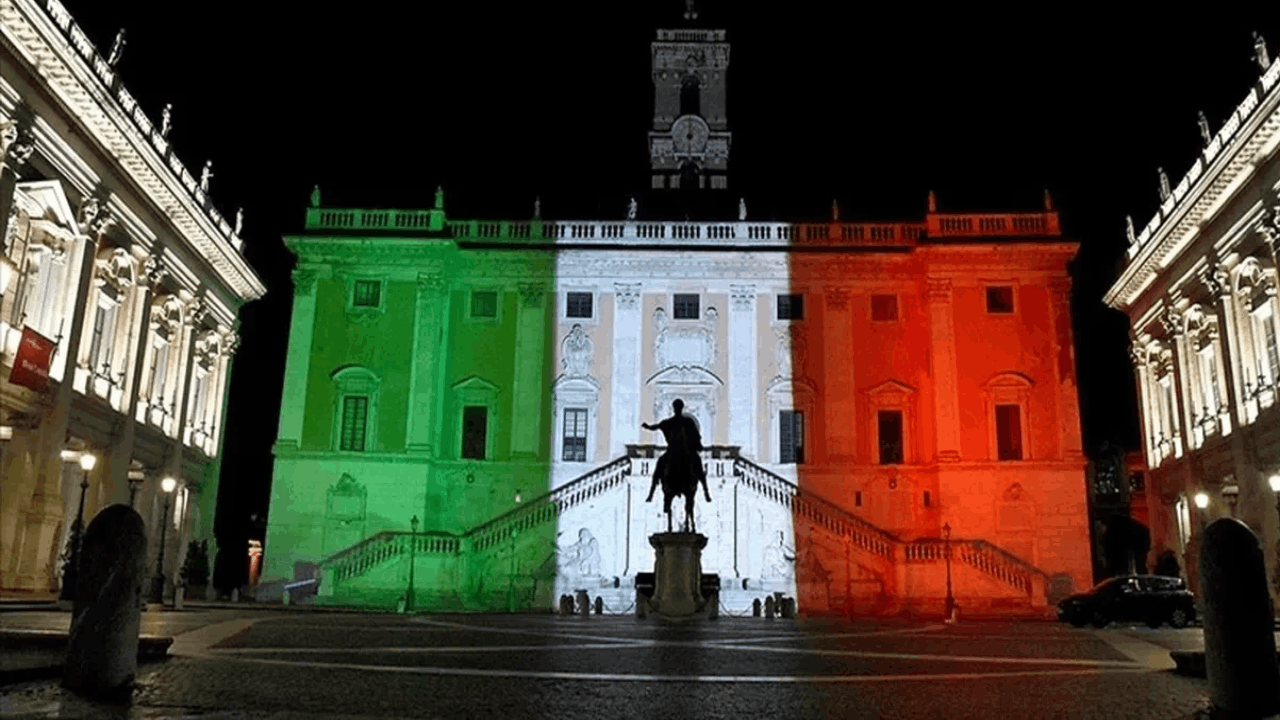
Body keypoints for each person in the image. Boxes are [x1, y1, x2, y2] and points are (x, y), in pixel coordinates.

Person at [642, 399, 710, 502]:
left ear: (674, 408)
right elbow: (696, 437)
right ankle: (706, 492)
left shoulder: (669, 422)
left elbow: (655, 427)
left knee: (660, 466)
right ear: (681, 408)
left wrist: (647, 426)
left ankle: (651, 492)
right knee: (698, 466)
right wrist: (699, 446)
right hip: (684, 452)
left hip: (672, 452)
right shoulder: (688, 422)